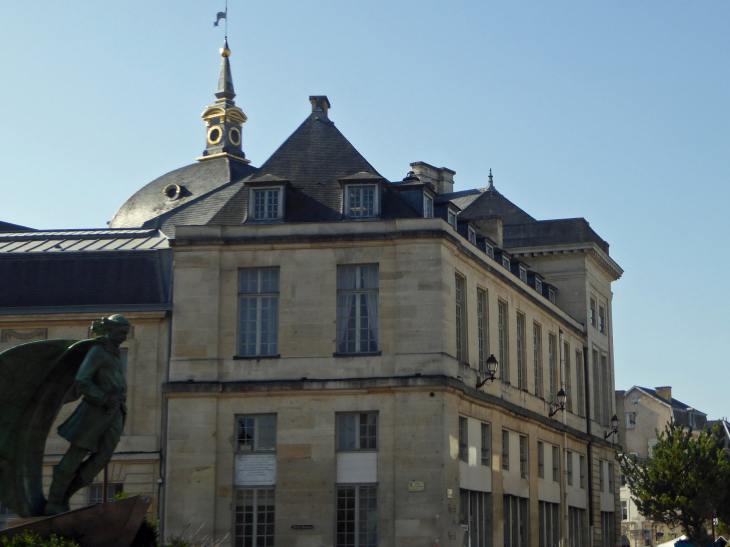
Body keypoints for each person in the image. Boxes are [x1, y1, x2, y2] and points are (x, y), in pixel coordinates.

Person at [44, 315, 131, 515]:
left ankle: (65, 496)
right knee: (76, 455)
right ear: (109, 330)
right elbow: (82, 381)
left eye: (125, 334)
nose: (123, 338)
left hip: (115, 412)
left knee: (102, 458)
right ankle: (55, 502)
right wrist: (103, 398)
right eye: (120, 333)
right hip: (95, 411)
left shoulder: (113, 353)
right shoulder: (98, 351)